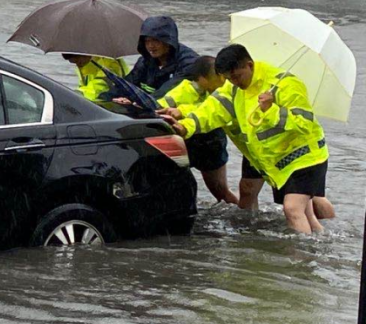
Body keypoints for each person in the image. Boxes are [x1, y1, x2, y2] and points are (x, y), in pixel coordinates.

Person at [170, 44, 335, 234]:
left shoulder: (285, 84)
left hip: (304, 157)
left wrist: (271, 110)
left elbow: (304, 123)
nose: (234, 82)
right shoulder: (232, 88)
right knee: (305, 213)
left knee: (292, 209)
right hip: (270, 159)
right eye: (229, 78)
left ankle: (300, 259)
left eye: (237, 76)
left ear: (249, 65)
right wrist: (185, 126)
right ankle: (320, 246)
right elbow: (210, 111)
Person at [114, 17, 232, 205]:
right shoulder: (146, 61)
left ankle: (241, 218)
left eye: (156, 40)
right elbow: (128, 84)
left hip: (205, 137)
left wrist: (138, 103)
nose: (151, 46)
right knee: (166, 179)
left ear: (169, 40)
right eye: (147, 41)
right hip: (169, 131)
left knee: (220, 191)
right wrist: (112, 100)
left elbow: (170, 94)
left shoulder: (190, 63)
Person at [157, 56, 262, 209]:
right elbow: (162, 105)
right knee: (246, 191)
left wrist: (181, 112)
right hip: (239, 148)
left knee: (294, 196)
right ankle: (250, 224)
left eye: (223, 75)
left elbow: (212, 110)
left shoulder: (232, 89)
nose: (223, 80)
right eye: (218, 76)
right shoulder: (186, 89)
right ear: (202, 78)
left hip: (238, 145)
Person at [62, 54, 129, 102]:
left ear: (85, 54)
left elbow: (100, 87)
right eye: (74, 63)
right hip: (97, 104)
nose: (78, 65)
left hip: (116, 106)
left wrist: (75, 95)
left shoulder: (109, 63)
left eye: (78, 61)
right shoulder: (86, 65)